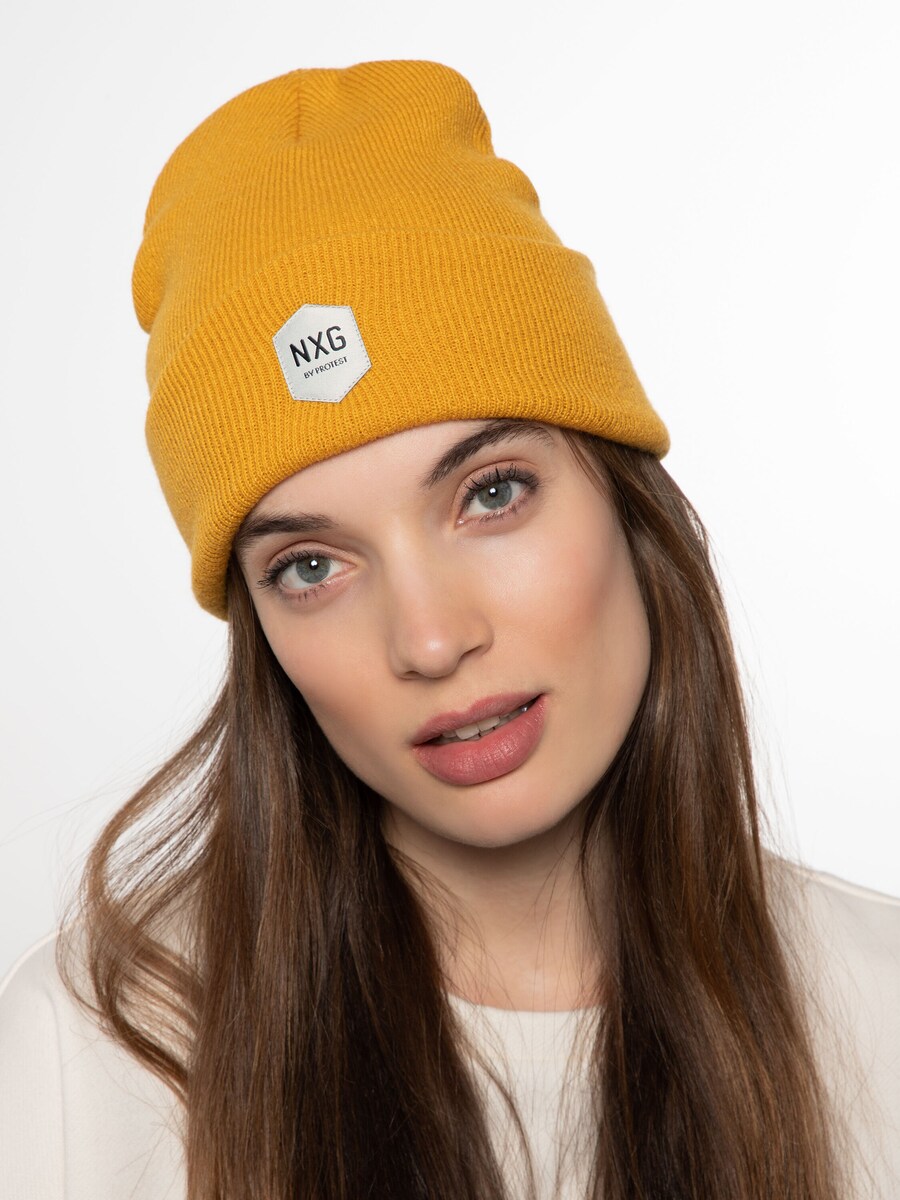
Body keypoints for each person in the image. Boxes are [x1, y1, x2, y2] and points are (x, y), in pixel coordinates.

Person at [1, 57, 898, 1200]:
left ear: (626, 501)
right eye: (311, 566)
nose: (429, 641)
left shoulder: (880, 1010)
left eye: (492, 493)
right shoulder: (92, 1062)